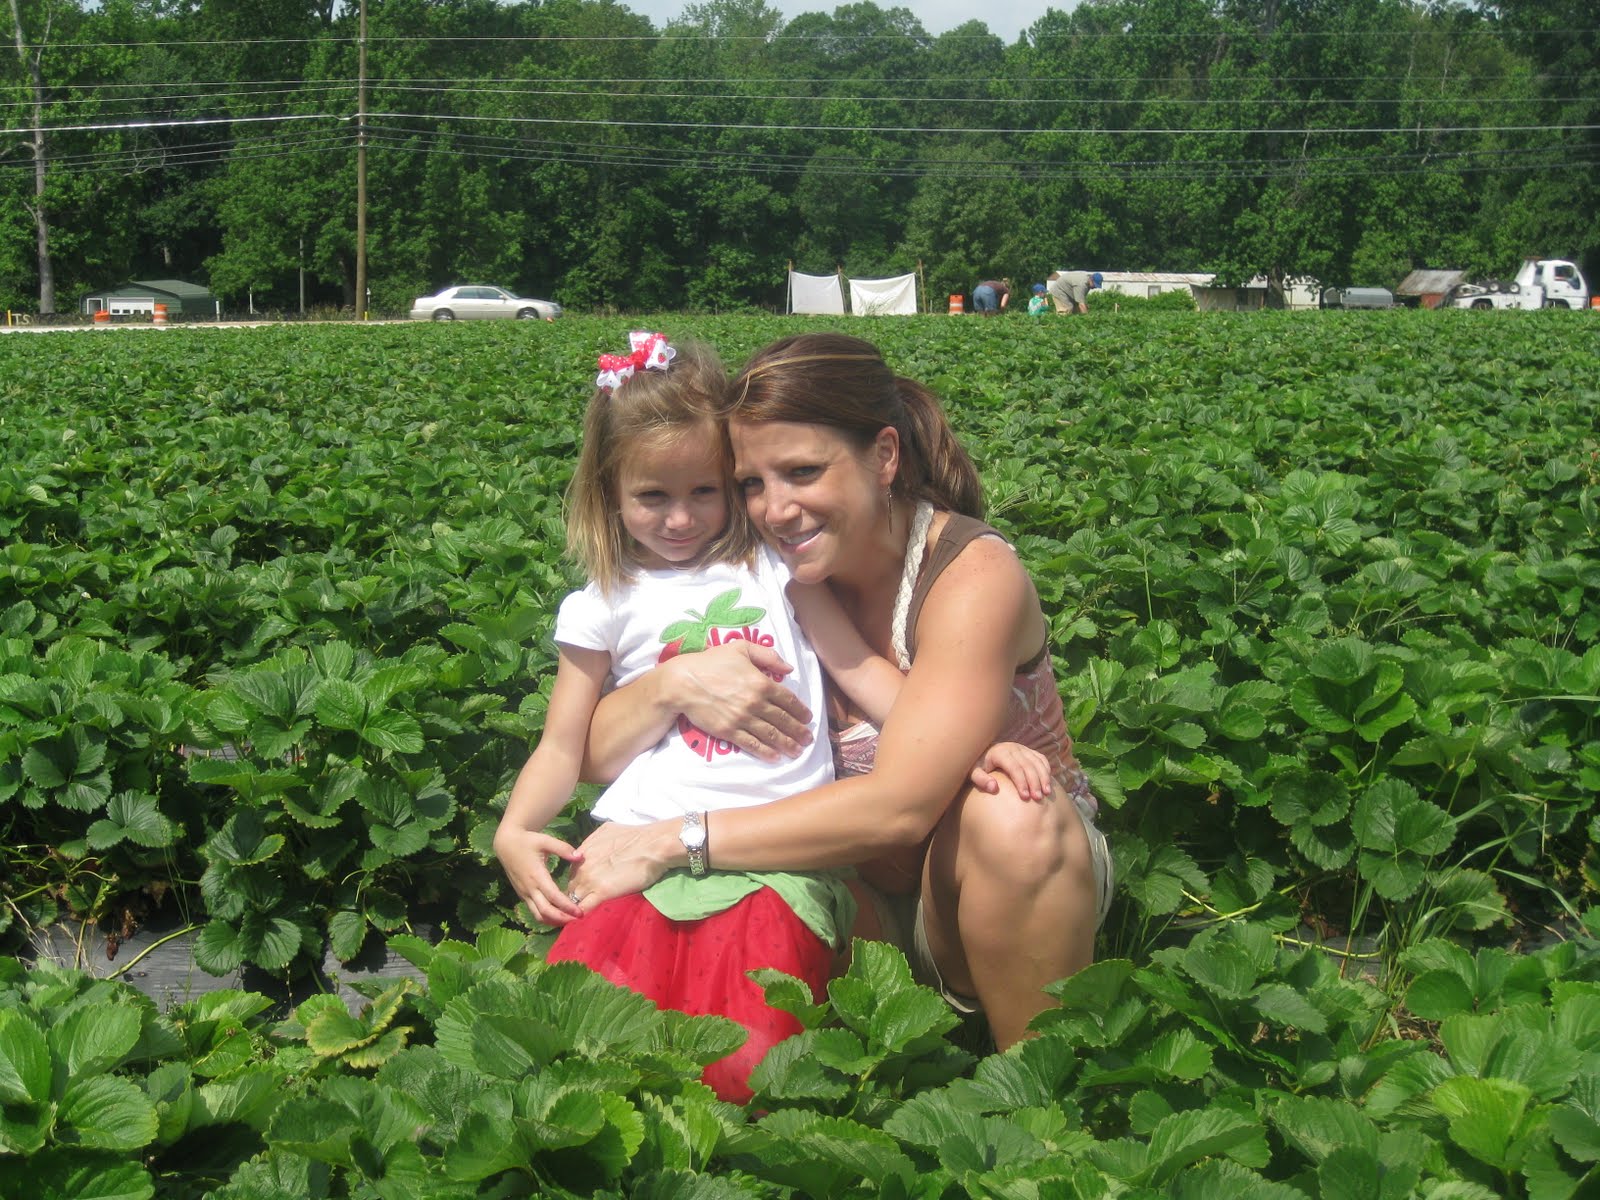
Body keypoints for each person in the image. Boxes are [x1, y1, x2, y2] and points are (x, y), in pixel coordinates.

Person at [494, 331, 1053, 1101]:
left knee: (751, 1055)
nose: (682, 519)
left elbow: (860, 672)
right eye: (654, 497)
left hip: (778, 852)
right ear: (610, 494)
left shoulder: (775, 567)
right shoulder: (603, 603)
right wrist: (516, 826)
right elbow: (567, 746)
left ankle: (1017, 1092)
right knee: (592, 1039)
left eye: (706, 491)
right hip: (643, 845)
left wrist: (967, 749)